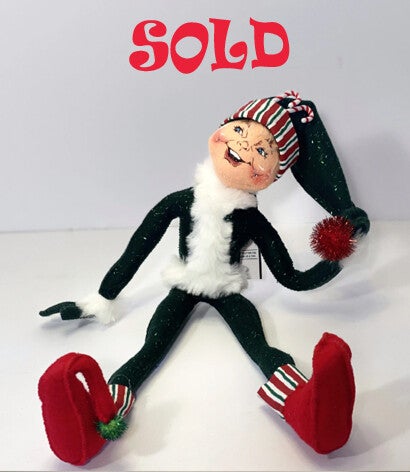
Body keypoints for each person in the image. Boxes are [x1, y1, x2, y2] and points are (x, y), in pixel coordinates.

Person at [38, 91, 370, 465]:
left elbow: (290, 276)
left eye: (263, 150)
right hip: (184, 285)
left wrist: (337, 257)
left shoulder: (253, 221)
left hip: (227, 289)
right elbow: (138, 249)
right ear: (221, 129)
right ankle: (101, 414)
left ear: (270, 176)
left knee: (261, 348)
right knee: (149, 351)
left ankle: (305, 406)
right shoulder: (181, 201)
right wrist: (100, 298)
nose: (243, 147)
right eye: (240, 129)